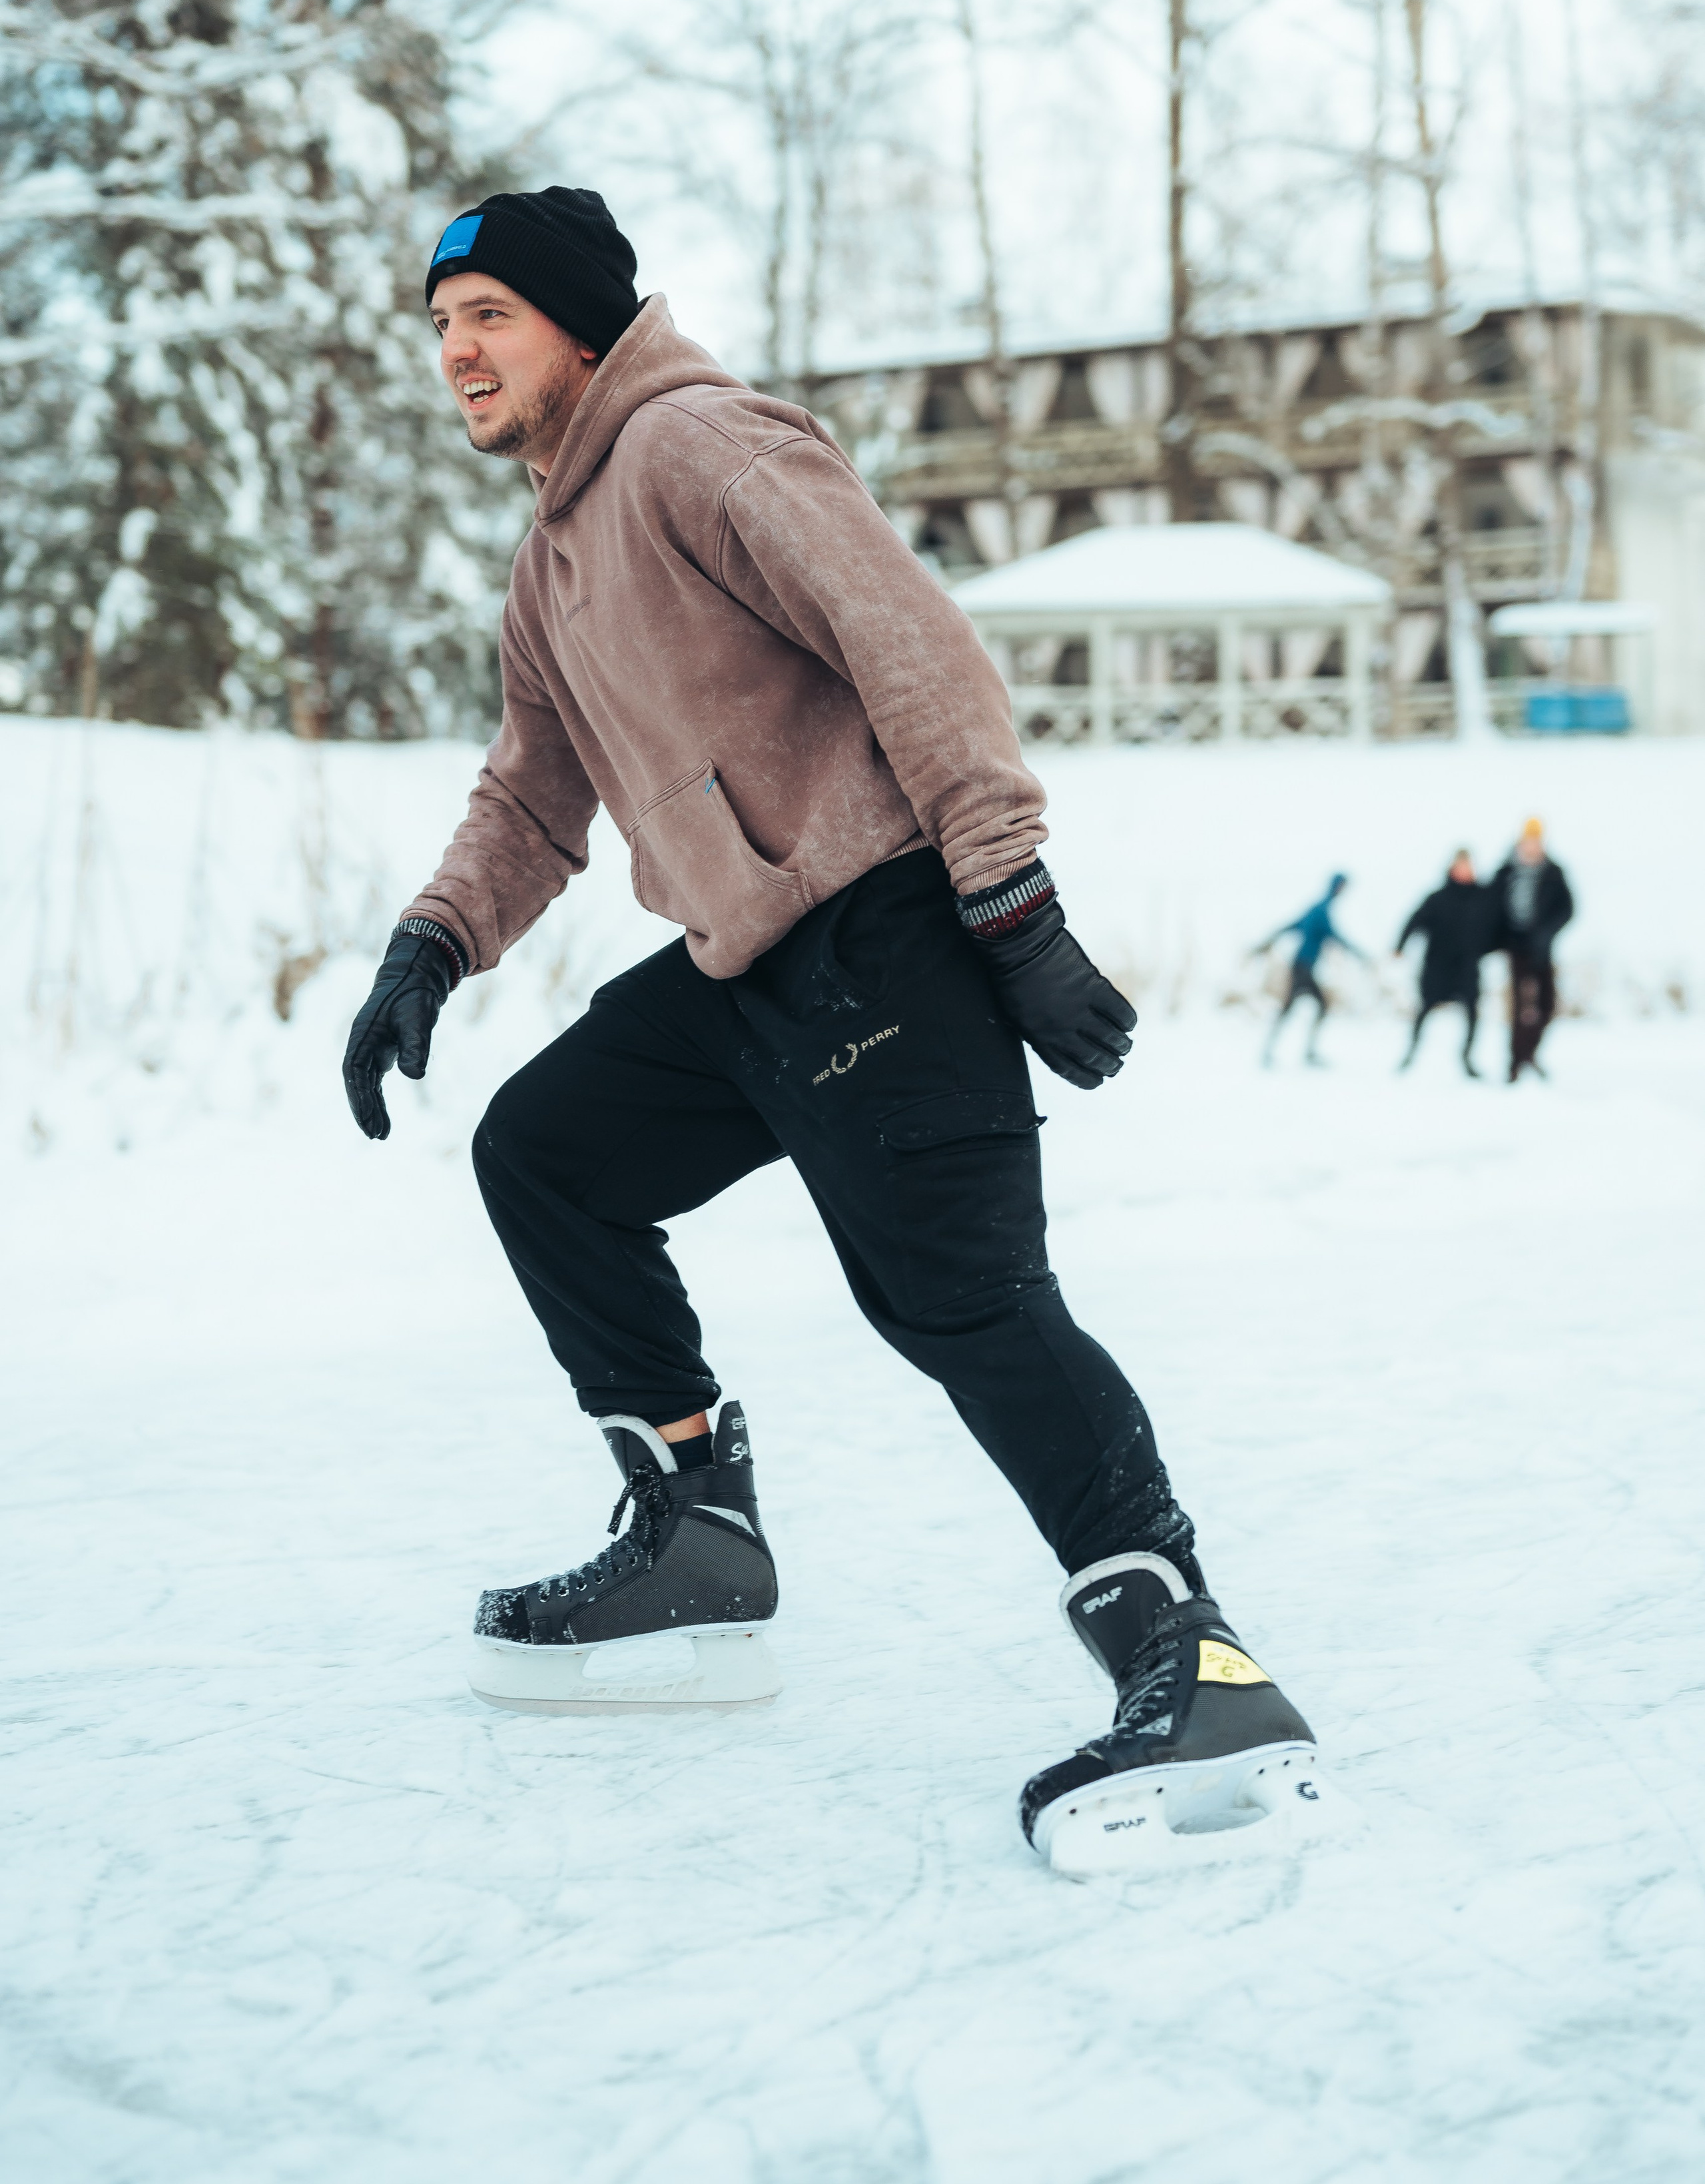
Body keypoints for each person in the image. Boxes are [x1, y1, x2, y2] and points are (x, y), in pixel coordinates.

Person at [340, 185, 1317, 1870]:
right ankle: (694, 1524)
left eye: (486, 314)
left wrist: (1007, 902)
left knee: (962, 1303)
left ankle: (1192, 1651)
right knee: (545, 1153)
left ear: (577, 323)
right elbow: (532, 788)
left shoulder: (702, 444)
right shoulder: (552, 553)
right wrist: (432, 943)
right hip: (746, 967)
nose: (456, 353)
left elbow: (908, 639)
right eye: (439, 326)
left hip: (885, 932)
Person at [1394, 849, 1497, 1076]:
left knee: (1472, 1011)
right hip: (1437, 966)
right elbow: (1415, 920)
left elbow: (1498, 928)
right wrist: (1400, 945)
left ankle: (1467, 1058)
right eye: (1460, 866)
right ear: (1452, 868)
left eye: (1468, 866)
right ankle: (1410, 1054)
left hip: (1467, 967)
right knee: (1425, 1009)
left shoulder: (1483, 898)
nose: (1464, 870)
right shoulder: (1438, 898)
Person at [1491, 818, 1574, 1083]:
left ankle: (1529, 1054)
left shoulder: (1554, 872)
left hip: (1543, 948)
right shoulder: (1506, 872)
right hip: (1516, 949)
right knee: (1521, 1007)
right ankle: (1514, 1064)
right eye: (1528, 842)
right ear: (1521, 842)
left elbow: (1568, 908)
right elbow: (1490, 908)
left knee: (1547, 1004)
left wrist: (1548, 932)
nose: (1532, 847)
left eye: (1537, 842)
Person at [1257, 873, 1369, 1068]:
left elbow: (1291, 926)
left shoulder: (1316, 908)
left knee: (1295, 1009)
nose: (1344, 891)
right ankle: (1303, 1053)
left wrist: (1266, 941)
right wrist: (1360, 954)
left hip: (1301, 966)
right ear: (1337, 886)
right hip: (1304, 968)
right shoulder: (1322, 911)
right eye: (1343, 887)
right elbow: (1335, 936)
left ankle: (1274, 1052)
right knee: (1316, 1007)